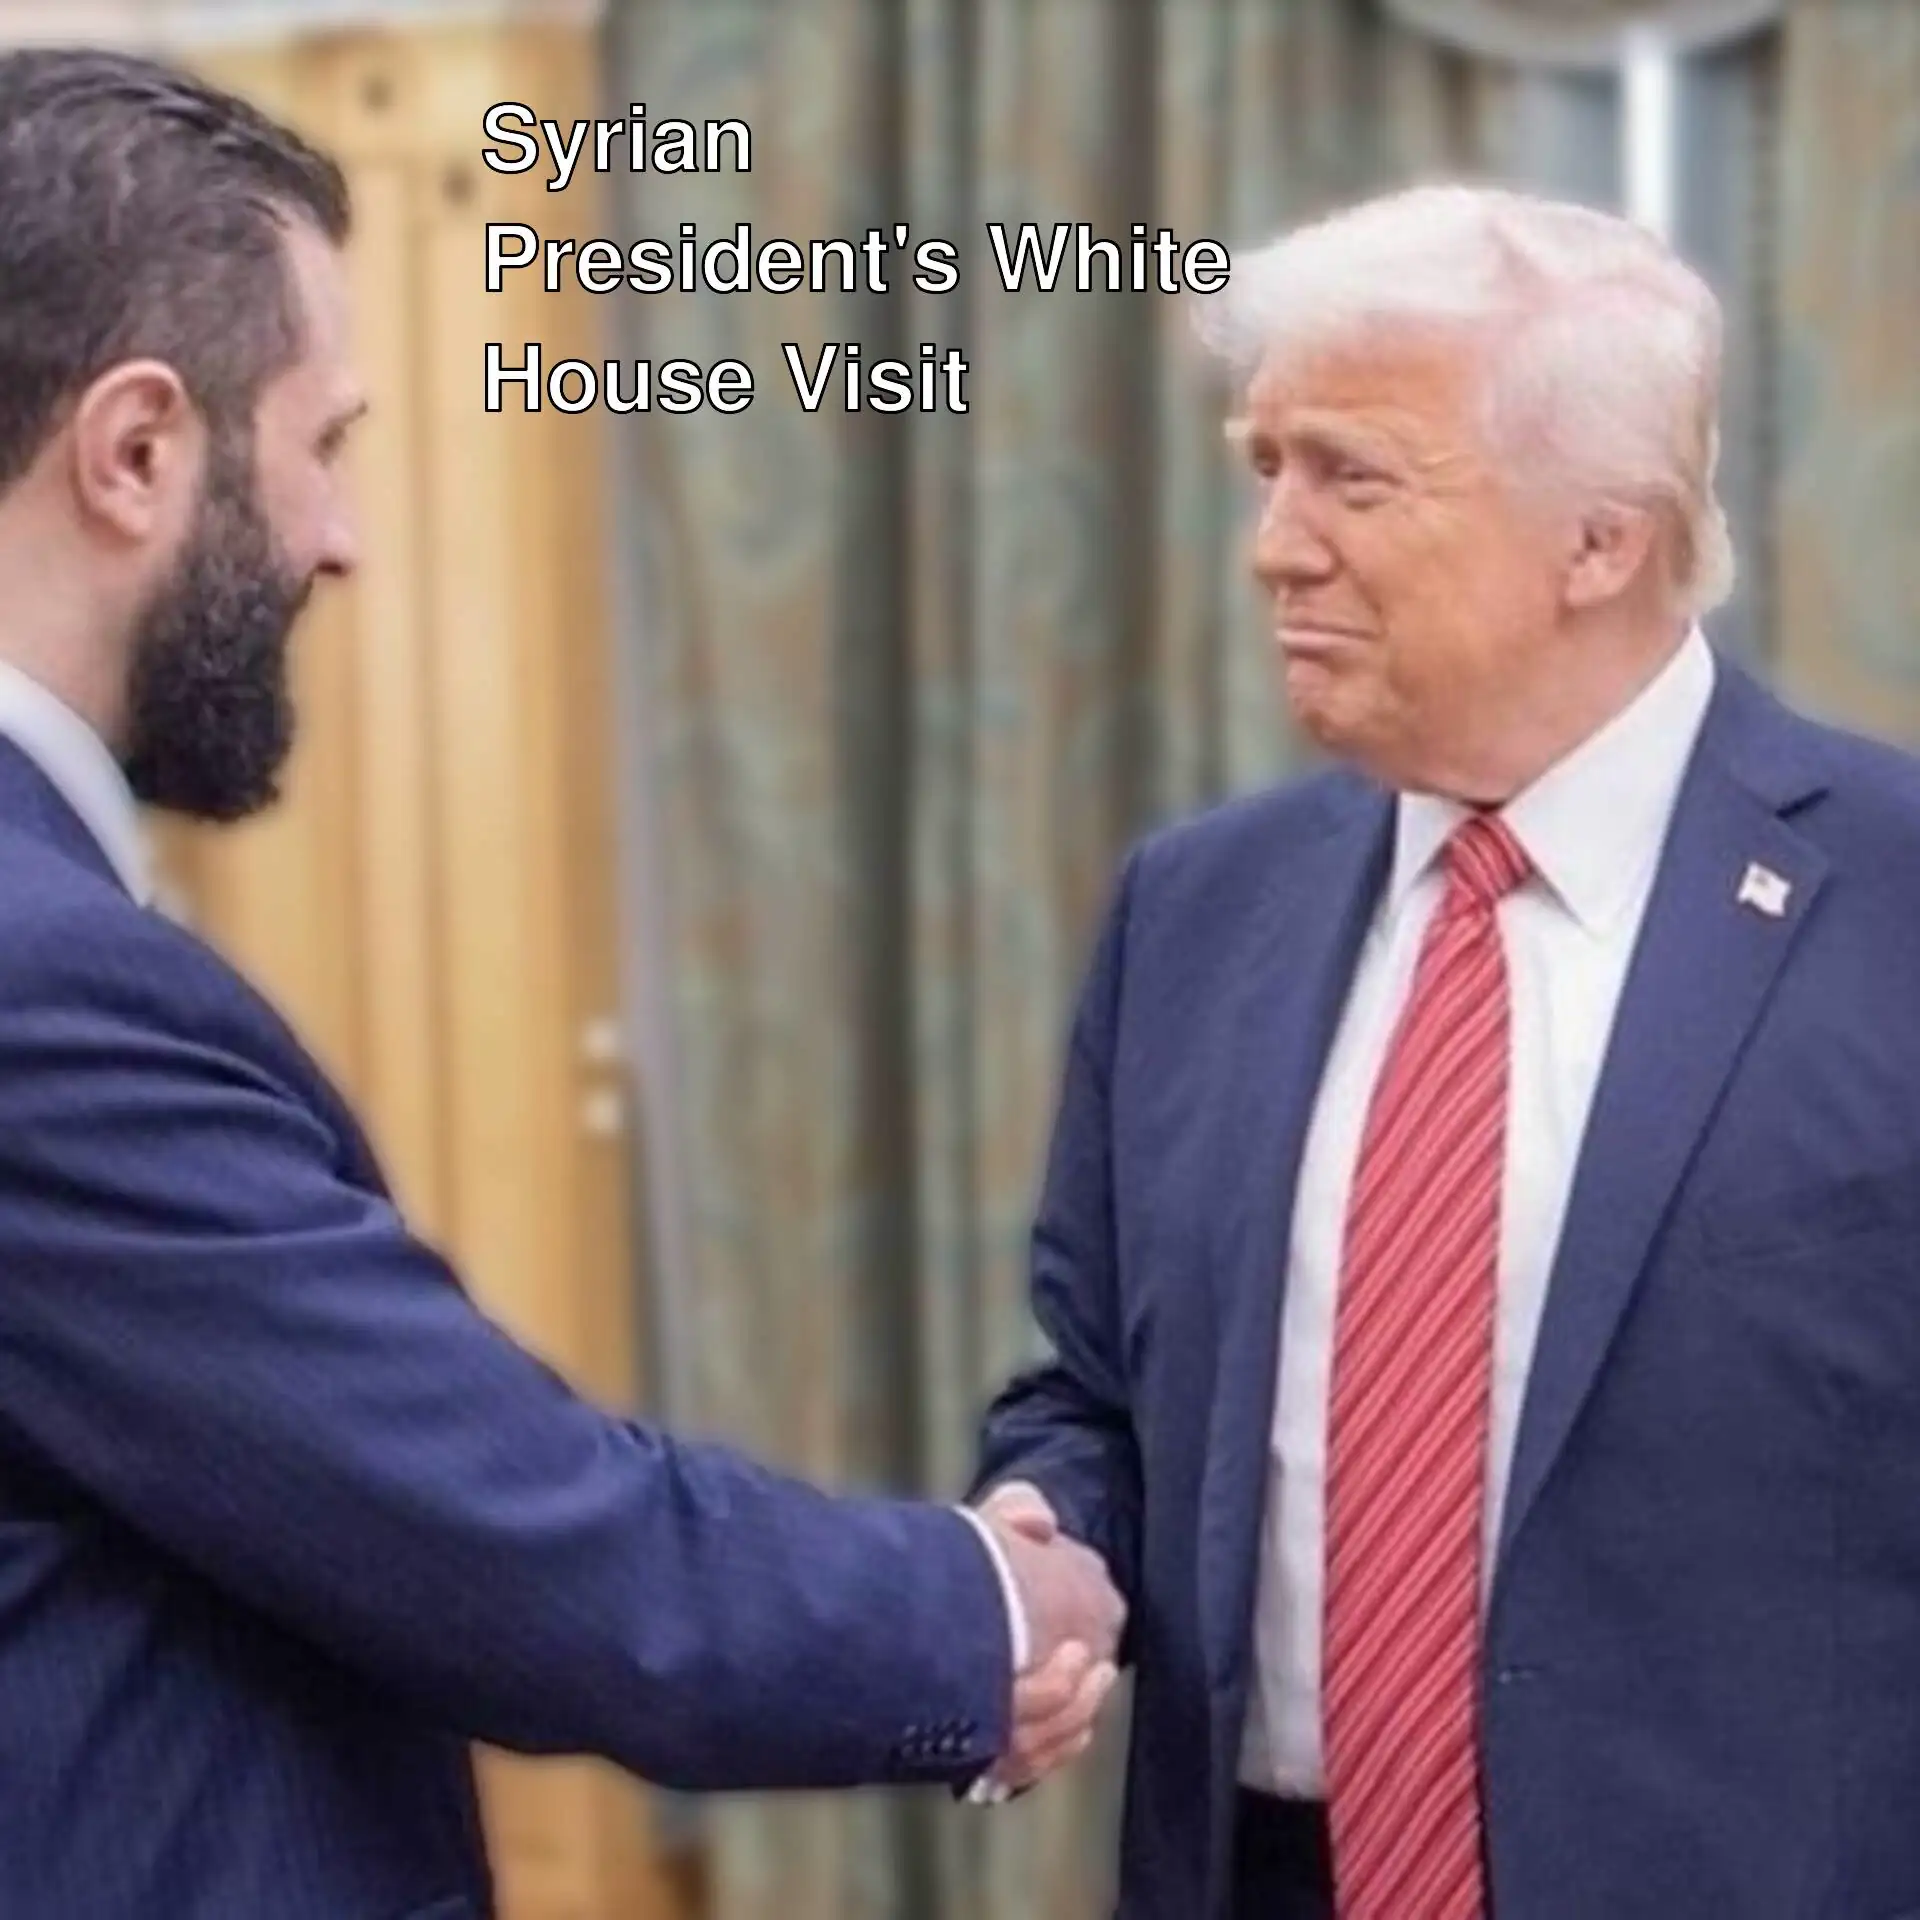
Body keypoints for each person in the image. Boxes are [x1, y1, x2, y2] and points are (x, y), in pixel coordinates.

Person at [0, 47, 1122, 1920]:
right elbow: (515, 1541)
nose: (340, 538)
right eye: (324, 442)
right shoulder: (42, 992)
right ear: (135, 452)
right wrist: (993, 1605)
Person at [972, 182, 1920, 1919]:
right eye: (1267, 468)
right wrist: (1047, 1538)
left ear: (1599, 540)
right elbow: (1094, 1385)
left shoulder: (1898, 900)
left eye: (1351, 475)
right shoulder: (1195, 911)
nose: (1274, 541)